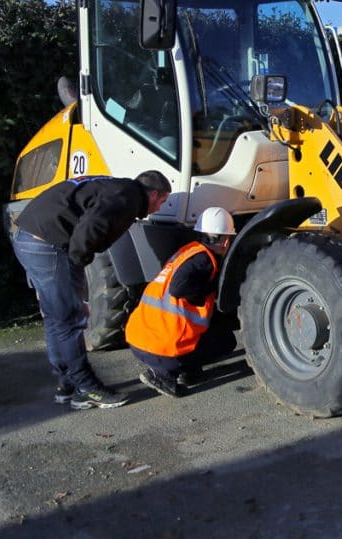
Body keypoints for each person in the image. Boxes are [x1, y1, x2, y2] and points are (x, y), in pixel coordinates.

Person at [12, 171, 172, 410]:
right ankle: (87, 389)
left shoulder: (115, 186)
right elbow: (91, 227)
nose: (160, 207)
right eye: (162, 201)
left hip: (28, 237)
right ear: (153, 193)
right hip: (48, 244)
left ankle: (66, 384)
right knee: (71, 318)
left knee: (57, 317)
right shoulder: (127, 197)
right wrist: (77, 264)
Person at [126, 207, 238, 398]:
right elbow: (178, 288)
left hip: (139, 339)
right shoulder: (205, 260)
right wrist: (211, 290)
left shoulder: (188, 251)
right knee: (226, 342)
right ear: (226, 241)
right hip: (162, 349)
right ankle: (165, 375)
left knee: (213, 328)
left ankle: (185, 371)